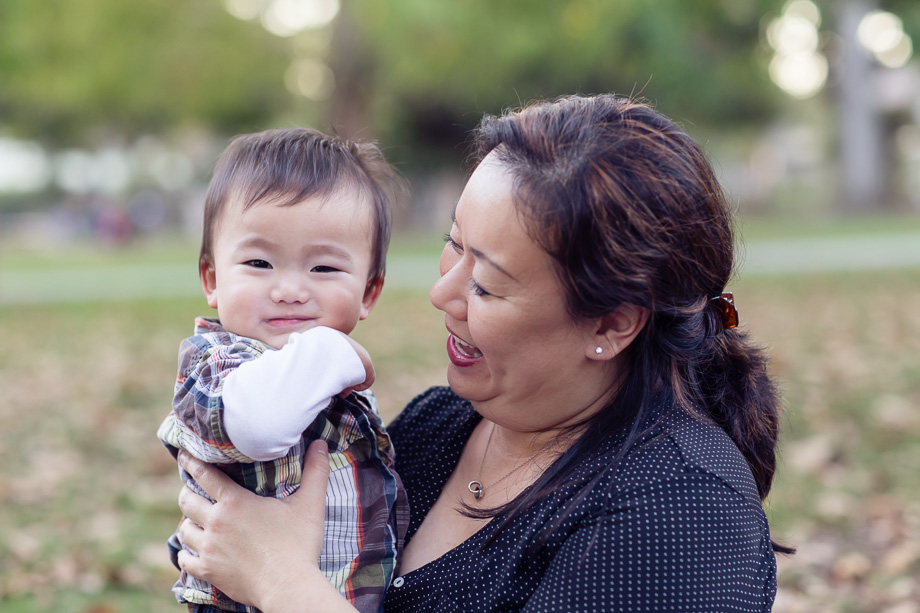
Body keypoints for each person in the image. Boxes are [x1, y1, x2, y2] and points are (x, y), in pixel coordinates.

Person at [173, 95, 790, 612]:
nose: (442, 293)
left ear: (611, 323)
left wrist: (282, 583)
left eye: (487, 283)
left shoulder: (680, 513)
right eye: (453, 243)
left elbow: (281, 571)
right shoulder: (435, 428)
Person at [157, 127, 409, 613]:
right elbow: (257, 428)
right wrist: (330, 349)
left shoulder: (323, 379)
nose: (290, 289)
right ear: (212, 278)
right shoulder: (217, 364)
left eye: (324, 269)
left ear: (369, 293)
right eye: (258, 261)